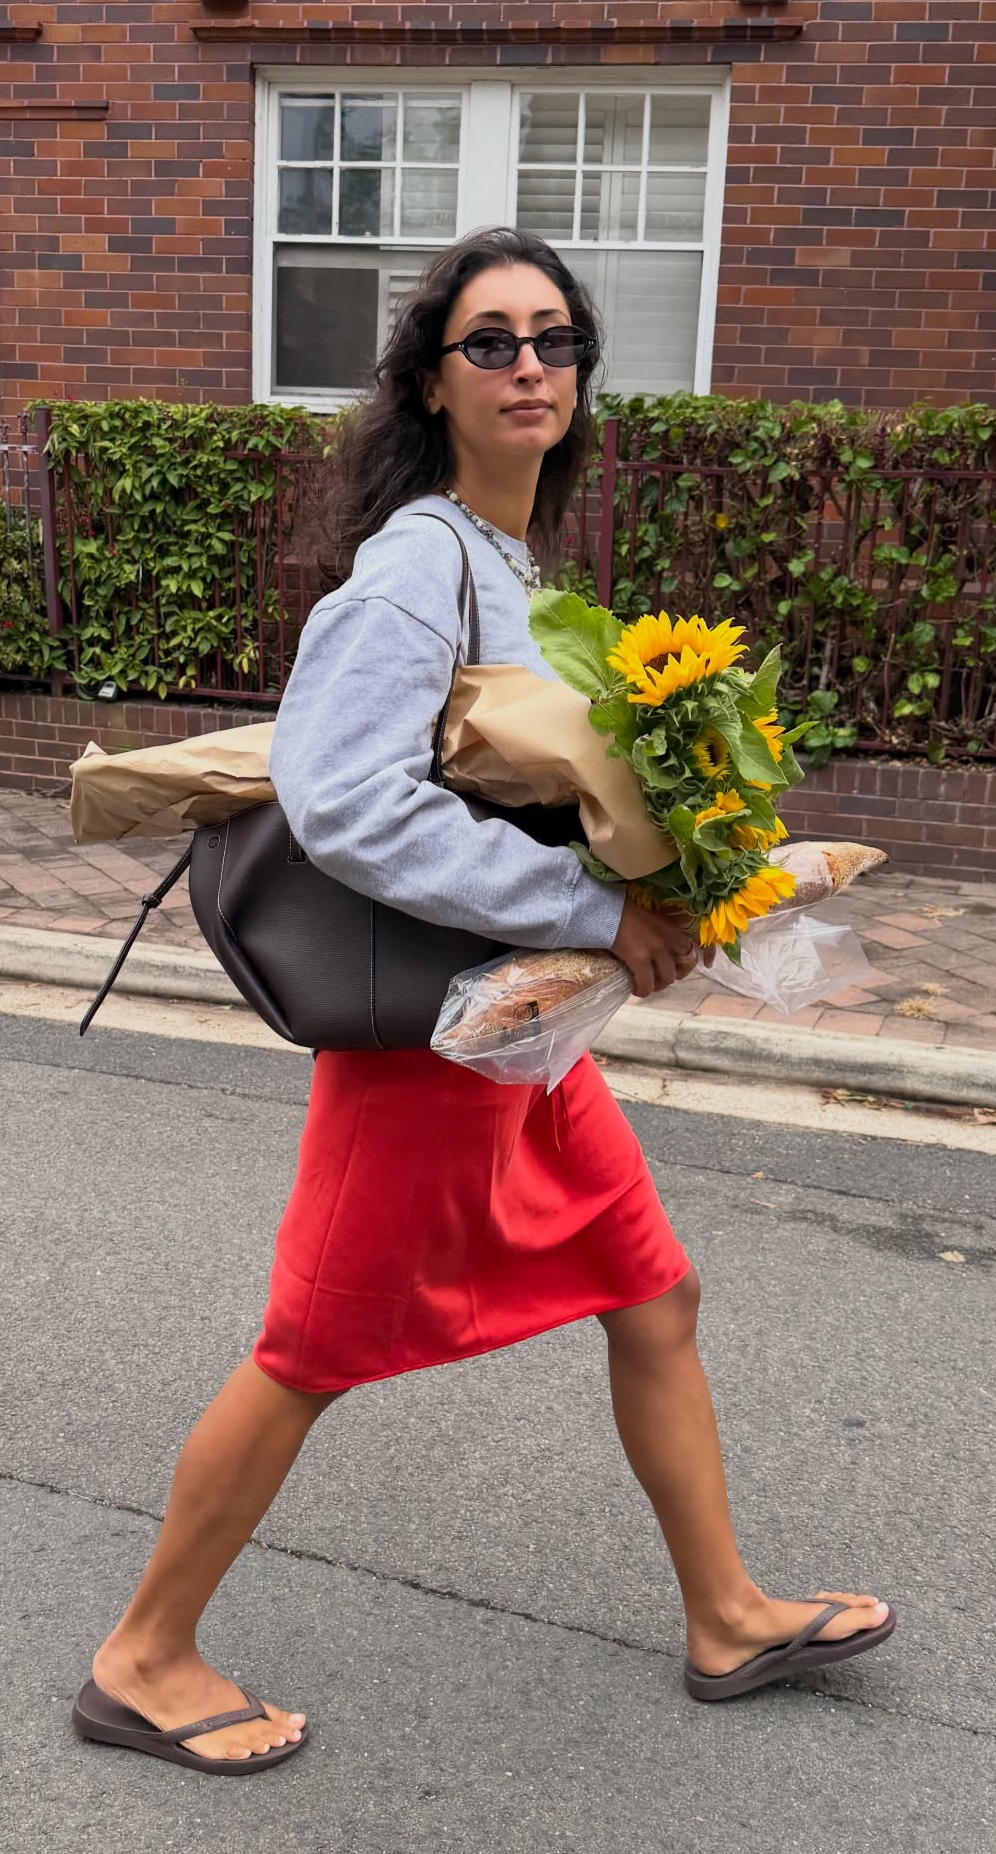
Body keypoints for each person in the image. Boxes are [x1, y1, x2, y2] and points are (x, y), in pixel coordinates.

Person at [72, 227, 894, 1775]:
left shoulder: (513, 564)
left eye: (556, 339)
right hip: (434, 1050)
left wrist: (676, 887)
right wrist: (600, 906)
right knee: (310, 1351)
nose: (531, 365)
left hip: (523, 1036)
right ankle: (144, 1654)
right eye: (492, 342)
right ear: (433, 386)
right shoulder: (417, 566)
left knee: (654, 1291)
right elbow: (346, 804)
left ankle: (724, 1612)